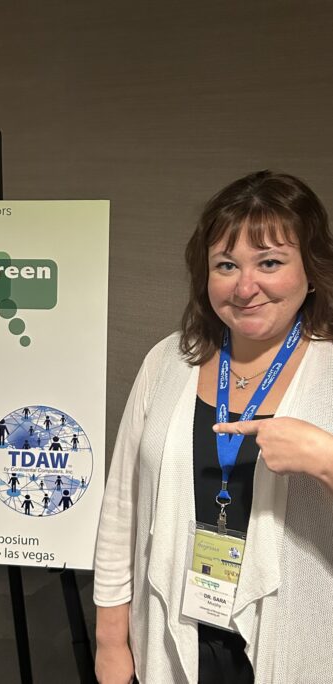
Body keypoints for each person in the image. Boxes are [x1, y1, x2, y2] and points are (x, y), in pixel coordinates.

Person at [94, 171, 333, 684]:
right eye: (227, 265)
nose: (246, 287)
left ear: (310, 271)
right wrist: (111, 640)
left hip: (296, 639)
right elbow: (121, 508)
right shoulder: (169, 359)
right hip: (172, 633)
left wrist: (326, 459)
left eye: (270, 262)